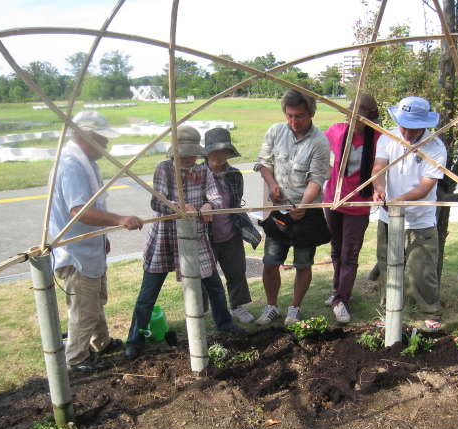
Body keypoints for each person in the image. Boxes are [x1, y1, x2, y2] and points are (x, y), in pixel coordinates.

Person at [125, 125, 245, 361]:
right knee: (148, 295)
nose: (191, 159)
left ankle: (225, 324)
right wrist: (181, 207)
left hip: (194, 238)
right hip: (165, 238)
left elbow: (217, 198)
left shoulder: (203, 171)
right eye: (186, 154)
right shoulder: (164, 169)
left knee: (215, 287)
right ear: (176, 153)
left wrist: (209, 206)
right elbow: (157, 203)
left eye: (194, 154)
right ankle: (135, 340)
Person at [49, 110, 144, 372]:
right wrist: (119, 219)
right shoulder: (71, 166)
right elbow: (78, 211)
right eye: (102, 140)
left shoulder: (86, 163)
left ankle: (101, 342)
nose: (106, 145)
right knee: (83, 307)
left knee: (94, 300)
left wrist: (102, 236)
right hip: (75, 252)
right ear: (85, 138)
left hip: (89, 247)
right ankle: (77, 357)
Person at [254, 88, 331, 326]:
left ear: (312, 113)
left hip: (308, 212)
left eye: (299, 116)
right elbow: (263, 163)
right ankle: (271, 306)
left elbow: (317, 179)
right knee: (270, 262)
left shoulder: (320, 141)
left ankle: (295, 308)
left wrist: (304, 205)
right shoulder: (276, 132)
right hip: (279, 210)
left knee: (303, 263)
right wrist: (272, 184)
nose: (293, 121)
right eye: (289, 115)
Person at [371, 96, 446, 329]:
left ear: (425, 124)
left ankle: (431, 313)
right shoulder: (388, 137)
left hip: (420, 219)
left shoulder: (435, 147)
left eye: (413, 128)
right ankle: (389, 310)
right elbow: (379, 167)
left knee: (421, 268)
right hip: (388, 217)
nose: (407, 132)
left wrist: (398, 200)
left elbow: (425, 187)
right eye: (404, 125)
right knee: (387, 263)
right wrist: (380, 188)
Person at [323, 93, 382, 324]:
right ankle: (339, 292)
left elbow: (381, 169)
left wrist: (379, 187)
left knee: (350, 254)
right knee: (336, 250)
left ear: (369, 119)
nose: (352, 120)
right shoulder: (337, 130)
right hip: (334, 200)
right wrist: (327, 172)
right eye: (350, 115)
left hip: (359, 203)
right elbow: (315, 147)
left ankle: (342, 301)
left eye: (358, 117)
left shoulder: (378, 138)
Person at [204, 128, 262, 324]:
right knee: (203, 276)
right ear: (206, 152)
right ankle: (201, 309)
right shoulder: (197, 174)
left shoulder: (235, 175)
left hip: (231, 233)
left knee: (237, 272)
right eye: (215, 151)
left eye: (224, 151)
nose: (220, 156)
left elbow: (236, 203)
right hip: (205, 236)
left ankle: (237, 306)